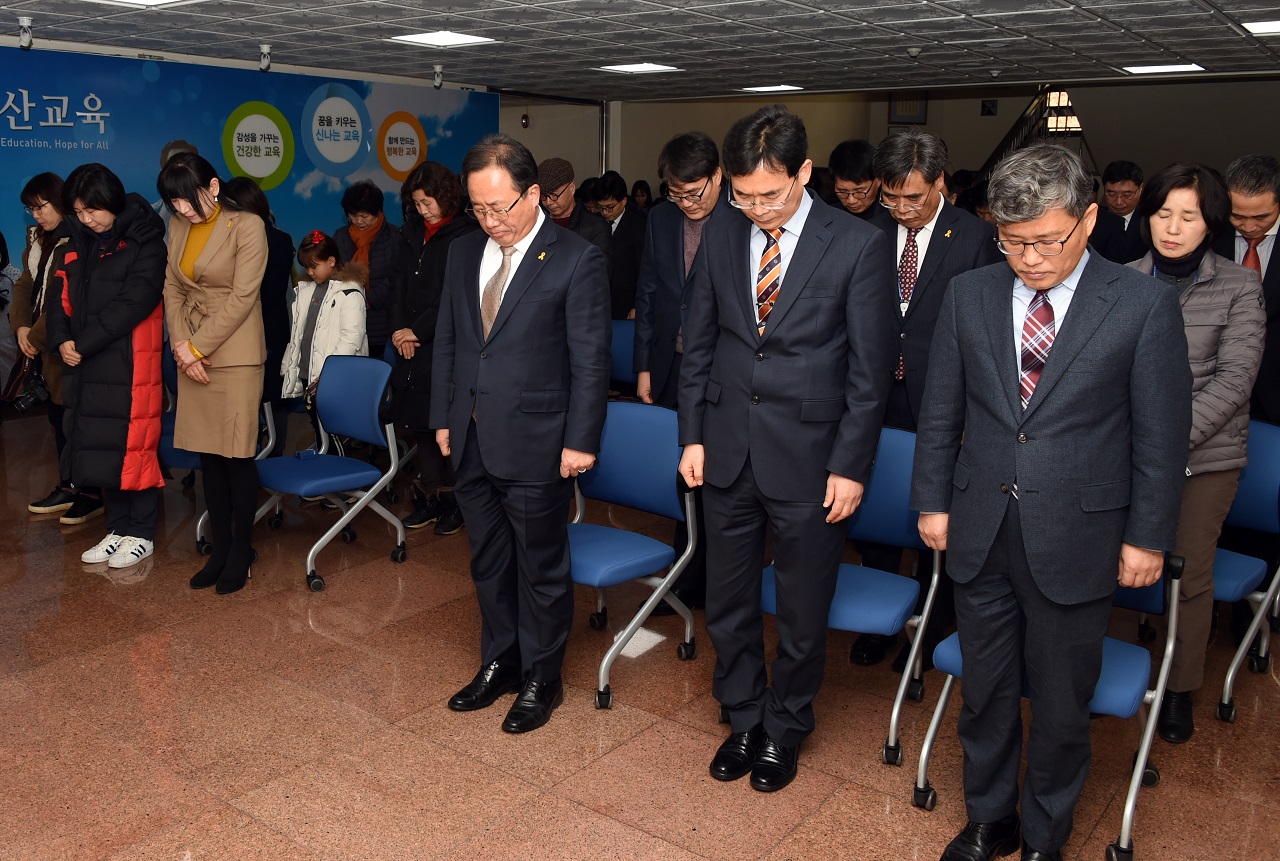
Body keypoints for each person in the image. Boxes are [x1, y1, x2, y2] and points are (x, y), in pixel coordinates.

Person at [911, 144, 1192, 861]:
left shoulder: (1142, 305)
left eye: (1046, 240)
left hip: (1080, 532)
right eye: (1012, 240)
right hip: (980, 523)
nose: (1030, 258)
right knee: (987, 691)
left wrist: (1147, 536)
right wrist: (931, 501)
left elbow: (1161, 435)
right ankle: (989, 817)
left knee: (1065, 707)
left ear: (1090, 219)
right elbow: (939, 408)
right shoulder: (970, 293)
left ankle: (1045, 833)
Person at [678, 105, 895, 792]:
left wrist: (851, 465)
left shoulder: (857, 245)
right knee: (729, 593)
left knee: (802, 608)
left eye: (769, 194)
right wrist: (692, 434)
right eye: (742, 195)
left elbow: (870, 373)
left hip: (811, 456)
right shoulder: (721, 234)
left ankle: (786, 723)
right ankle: (742, 711)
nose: (756, 208)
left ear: (805, 172)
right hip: (726, 446)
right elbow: (700, 343)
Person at [431, 134, 610, 734]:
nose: (489, 221)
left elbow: (590, 360)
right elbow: (451, 343)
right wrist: (443, 416)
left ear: (533, 195)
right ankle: (500, 661)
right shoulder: (462, 253)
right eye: (478, 209)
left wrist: (581, 440)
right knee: (487, 561)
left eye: (500, 208)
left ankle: (542, 676)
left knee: (540, 565)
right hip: (472, 435)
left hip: (539, 440)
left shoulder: (576, 259)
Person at [851, 129, 1001, 671]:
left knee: (936, 515)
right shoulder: (864, 231)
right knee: (875, 507)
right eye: (890, 198)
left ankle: (931, 625)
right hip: (874, 395)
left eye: (913, 198)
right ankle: (877, 616)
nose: (901, 209)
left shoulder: (976, 238)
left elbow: (986, 336)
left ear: (940, 182)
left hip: (943, 402)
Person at [1127, 163, 1264, 744]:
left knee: (1187, 570)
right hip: (1126, 452)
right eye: (1162, 214)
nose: (1173, 228)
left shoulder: (1239, 286)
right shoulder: (1121, 279)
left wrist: (1160, 441)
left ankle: (1179, 687)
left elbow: (1234, 383)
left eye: (1187, 216)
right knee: (1113, 562)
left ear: (1210, 223)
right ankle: (1110, 670)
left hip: (1202, 458)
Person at [47, 163, 167, 569]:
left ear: (111, 200)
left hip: (131, 363)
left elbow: (136, 301)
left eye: (92, 210)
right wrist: (62, 339)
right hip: (87, 361)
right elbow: (59, 295)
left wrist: (82, 342)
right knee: (100, 446)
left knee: (134, 445)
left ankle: (143, 532)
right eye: (78, 213)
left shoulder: (146, 239)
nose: (86, 219)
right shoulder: (77, 241)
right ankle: (117, 528)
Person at [159, 152, 268, 595]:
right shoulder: (178, 226)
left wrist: (198, 347)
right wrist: (183, 349)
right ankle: (219, 548)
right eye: (174, 203)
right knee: (208, 458)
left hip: (236, 354)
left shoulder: (247, 226)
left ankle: (241, 551)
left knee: (236, 457)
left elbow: (243, 297)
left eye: (189, 200)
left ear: (214, 186)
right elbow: (171, 286)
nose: (183, 210)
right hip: (192, 352)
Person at [633, 131, 732, 613]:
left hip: (723, 372)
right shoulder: (660, 219)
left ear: (718, 177)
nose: (688, 202)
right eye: (677, 193)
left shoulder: (742, 217)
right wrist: (646, 367)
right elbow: (648, 292)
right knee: (682, 470)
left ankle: (716, 575)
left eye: (696, 192)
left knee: (718, 474)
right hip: (672, 364)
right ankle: (685, 566)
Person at [391, 161, 480, 537]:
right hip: (407, 344)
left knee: (446, 422)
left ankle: (457, 502)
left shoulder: (466, 234)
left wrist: (417, 331)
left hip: (441, 343)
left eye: (427, 202)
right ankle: (429, 496)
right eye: (416, 203)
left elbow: (452, 294)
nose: (422, 210)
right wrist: (399, 330)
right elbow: (395, 284)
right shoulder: (410, 232)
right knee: (420, 424)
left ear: (444, 197)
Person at [11, 172, 104, 524]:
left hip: (68, 342)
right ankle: (68, 486)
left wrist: (32, 338)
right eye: (29, 209)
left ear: (60, 200)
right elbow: (25, 285)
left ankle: (91, 493)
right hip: (41, 343)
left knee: (77, 420)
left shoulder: (78, 238)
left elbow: (66, 300)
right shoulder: (38, 241)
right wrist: (20, 327)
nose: (35, 214)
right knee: (57, 418)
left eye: (40, 206)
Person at [218, 177, 294, 457]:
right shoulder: (224, 238)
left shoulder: (278, 240)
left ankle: (274, 456)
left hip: (267, 330)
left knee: (273, 400)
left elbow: (270, 294)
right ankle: (246, 455)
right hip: (232, 333)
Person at [280, 230, 368, 409]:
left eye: (314, 266)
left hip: (333, 377)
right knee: (317, 423)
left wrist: (329, 373)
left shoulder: (349, 292)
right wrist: (287, 365)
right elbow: (297, 332)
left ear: (331, 261)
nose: (310, 272)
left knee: (334, 424)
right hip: (308, 373)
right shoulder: (306, 291)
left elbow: (351, 338)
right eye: (306, 267)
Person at [334, 180, 397, 361]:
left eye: (364, 216)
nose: (359, 221)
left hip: (382, 323)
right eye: (353, 215)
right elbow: (335, 273)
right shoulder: (341, 237)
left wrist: (369, 299)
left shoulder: (394, 237)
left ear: (378, 212)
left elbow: (397, 277)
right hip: (347, 323)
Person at [536, 157, 613, 279]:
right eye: (544, 197)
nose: (549, 202)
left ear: (571, 188)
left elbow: (601, 274)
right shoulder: (537, 224)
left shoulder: (596, 227)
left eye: (554, 195)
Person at [592, 170, 648, 320]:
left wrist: (638, 304)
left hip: (625, 302)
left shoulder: (638, 226)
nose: (605, 212)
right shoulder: (594, 224)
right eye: (600, 207)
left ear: (623, 201)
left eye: (610, 207)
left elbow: (643, 269)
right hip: (597, 302)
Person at [827, 138, 894, 230]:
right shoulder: (827, 217)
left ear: (878, 180)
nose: (851, 200)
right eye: (842, 191)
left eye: (859, 191)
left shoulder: (894, 216)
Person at [1090, 160, 1147, 264]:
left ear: (1140, 189)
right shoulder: (1091, 219)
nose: (1119, 201)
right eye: (1111, 194)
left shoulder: (1149, 222)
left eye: (1127, 195)